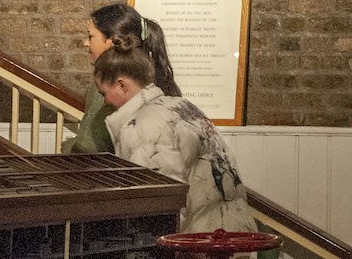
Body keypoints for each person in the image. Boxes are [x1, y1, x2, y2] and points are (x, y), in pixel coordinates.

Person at [93, 33, 255, 236]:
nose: (105, 102)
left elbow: (160, 206)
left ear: (122, 85)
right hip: (233, 228)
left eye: (104, 93)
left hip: (202, 239)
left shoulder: (141, 128)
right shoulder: (181, 105)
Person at [64, 3, 181, 154]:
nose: (86, 43)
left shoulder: (109, 84)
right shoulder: (152, 77)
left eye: (91, 36)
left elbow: (88, 148)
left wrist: (67, 147)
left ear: (111, 42)